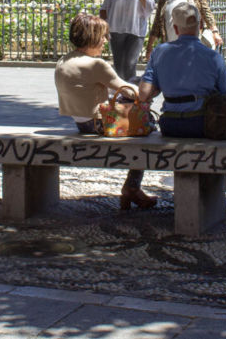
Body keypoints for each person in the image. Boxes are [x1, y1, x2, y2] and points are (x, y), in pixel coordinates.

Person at [55, 13, 155, 210]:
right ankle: (132, 186)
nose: (106, 41)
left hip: (81, 123)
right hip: (98, 123)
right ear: (90, 37)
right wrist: (151, 89)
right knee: (147, 126)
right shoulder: (96, 64)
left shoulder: (63, 61)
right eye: (102, 36)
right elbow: (132, 92)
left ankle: (132, 188)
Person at [138, 2, 226, 139]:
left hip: (169, 123)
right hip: (202, 123)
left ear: (176, 29)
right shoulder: (213, 56)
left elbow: (143, 94)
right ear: (200, 25)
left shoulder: (159, 52)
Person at [145, 0, 222, 59]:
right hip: (171, 45)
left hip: (192, 45)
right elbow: (157, 22)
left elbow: (206, 11)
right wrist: (149, 47)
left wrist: (215, 32)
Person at [99, 0, 155, 80]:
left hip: (136, 30)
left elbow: (150, 6)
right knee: (119, 65)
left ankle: (131, 94)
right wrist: (103, 30)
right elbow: (104, 8)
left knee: (130, 64)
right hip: (116, 30)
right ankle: (120, 93)